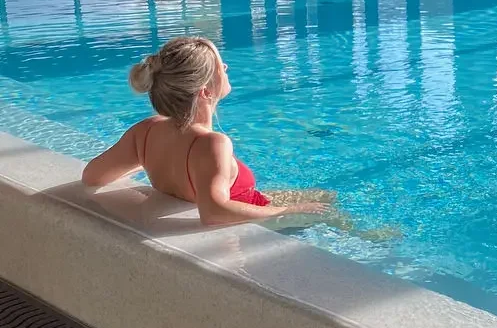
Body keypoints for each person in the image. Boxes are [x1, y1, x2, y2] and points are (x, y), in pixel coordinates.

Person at [82, 35, 330, 228]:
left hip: (250, 200)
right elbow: (213, 212)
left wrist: (145, 161)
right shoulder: (212, 144)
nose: (226, 65)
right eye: (220, 68)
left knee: (324, 196)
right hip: (253, 225)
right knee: (329, 209)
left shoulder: (146, 132)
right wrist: (286, 212)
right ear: (205, 91)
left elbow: (92, 175)